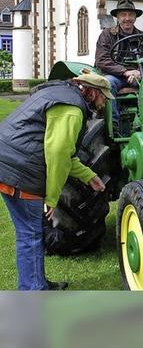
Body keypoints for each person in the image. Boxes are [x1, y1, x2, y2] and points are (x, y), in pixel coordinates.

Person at [0, 72, 110, 290]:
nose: (105, 102)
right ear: (93, 92)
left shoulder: (59, 93)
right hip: (20, 169)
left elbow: (65, 154)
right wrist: (51, 199)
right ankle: (32, 292)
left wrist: (89, 176)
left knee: (31, 232)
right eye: (104, 97)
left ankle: (37, 284)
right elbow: (58, 154)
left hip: (8, 161)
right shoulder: (72, 109)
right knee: (30, 235)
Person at [95, 0, 143, 130]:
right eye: (123, 14)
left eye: (130, 14)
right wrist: (125, 71)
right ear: (117, 17)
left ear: (135, 17)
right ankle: (114, 126)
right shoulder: (107, 35)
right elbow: (102, 60)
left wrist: (140, 73)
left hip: (141, 74)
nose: (127, 18)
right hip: (117, 76)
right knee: (108, 83)